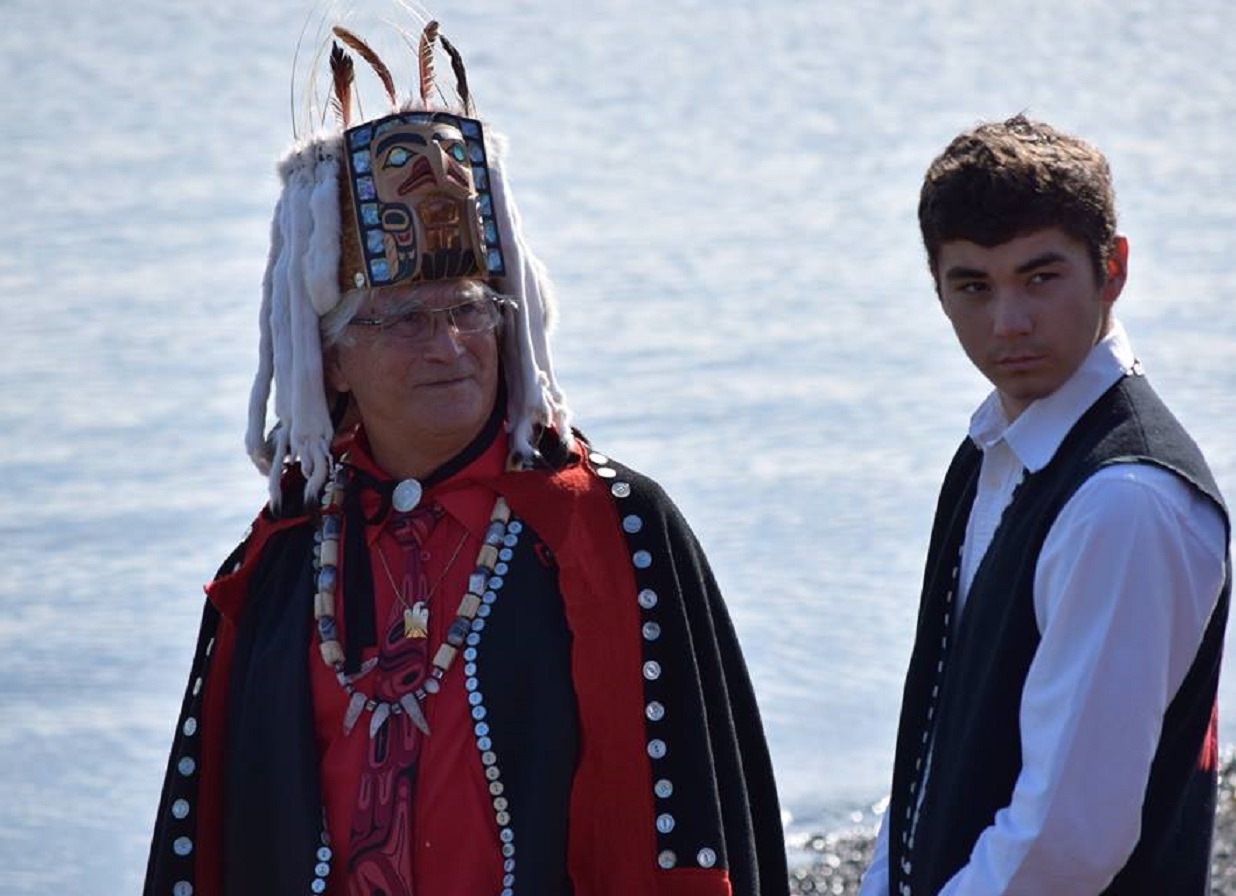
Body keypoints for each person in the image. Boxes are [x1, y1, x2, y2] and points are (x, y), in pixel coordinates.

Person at [143, 14, 788, 896]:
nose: (448, 344)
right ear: (332, 356)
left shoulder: (611, 530)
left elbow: (700, 831)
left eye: (470, 307)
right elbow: (219, 841)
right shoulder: (284, 561)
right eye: (404, 318)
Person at [860, 115, 1231, 895]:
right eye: (973, 286)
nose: (1009, 323)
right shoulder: (993, 451)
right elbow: (936, 736)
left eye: (1040, 277)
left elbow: (1065, 843)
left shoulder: (1124, 503)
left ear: (1114, 268)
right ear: (937, 289)